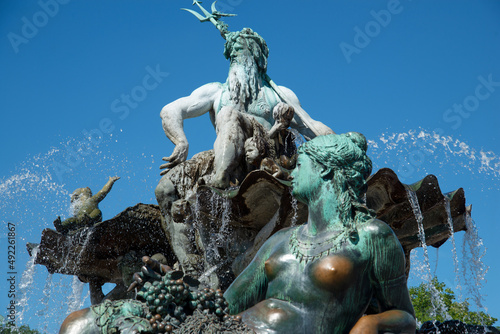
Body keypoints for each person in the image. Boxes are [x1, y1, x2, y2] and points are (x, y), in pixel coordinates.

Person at [223, 133, 416, 334]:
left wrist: (371, 324)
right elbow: (228, 304)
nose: (291, 174)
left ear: (324, 170)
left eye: (299, 166)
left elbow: (405, 317)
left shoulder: (372, 235)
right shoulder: (279, 239)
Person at [157, 28, 333, 189]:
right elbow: (171, 110)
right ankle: (221, 175)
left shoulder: (280, 94)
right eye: (233, 54)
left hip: (268, 155)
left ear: (259, 59)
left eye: (242, 52)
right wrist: (181, 142)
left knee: (227, 112)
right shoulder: (216, 91)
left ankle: (220, 177)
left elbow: (310, 126)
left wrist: (337, 143)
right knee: (167, 187)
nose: (236, 58)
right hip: (229, 158)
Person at [54, 176, 120, 233]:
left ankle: (89, 219)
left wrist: (110, 181)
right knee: (71, 220)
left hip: (91, 219)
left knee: (97, 212)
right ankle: (61, 226)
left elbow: (104, 191)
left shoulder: (91, 200)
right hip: (80, 222)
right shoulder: (77, 207)